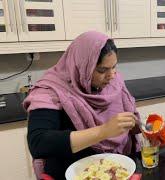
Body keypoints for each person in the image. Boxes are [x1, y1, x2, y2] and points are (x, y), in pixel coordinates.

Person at [23, 31, 141, 179]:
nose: (111, 75)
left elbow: (129, 124)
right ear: (83, 66)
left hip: (115, 170)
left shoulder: (114, 82)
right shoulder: (50, 91)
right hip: (71, 173)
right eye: (102, 70)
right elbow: (39, 143)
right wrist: (103, 131)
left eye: (114, 67)